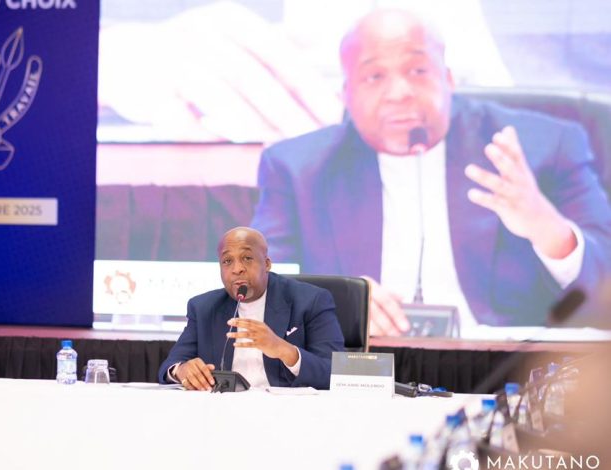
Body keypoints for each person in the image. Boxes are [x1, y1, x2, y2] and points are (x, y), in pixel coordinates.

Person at [250, 8, 611, 336]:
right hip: (358, 365)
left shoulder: (542, 147)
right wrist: (340, 299)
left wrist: (549, 230)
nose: (399, 92)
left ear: (448, 79)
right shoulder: (298, 168)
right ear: (346, 94)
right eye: (374, 76)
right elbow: (256, 283)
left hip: (501, 366)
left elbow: (605, 280)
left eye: (417, 70)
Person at [158, 227, 344, 390]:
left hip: (287, 411)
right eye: (227, 261)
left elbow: (335, 373)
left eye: (247, 258)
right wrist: (181, 370)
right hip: (223, 410)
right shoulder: (203, 308)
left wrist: (284, 350)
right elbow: (170, 366)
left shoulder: (311, 301)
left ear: (267, 264)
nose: (237, 269)